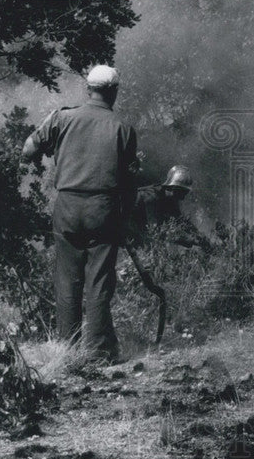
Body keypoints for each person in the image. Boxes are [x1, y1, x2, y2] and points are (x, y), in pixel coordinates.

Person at [22, 65, 137, 364]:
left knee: (67, 279)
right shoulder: (123, 129)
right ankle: (98, 351)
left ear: (88, 89)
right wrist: (125, 222)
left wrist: (46, 152)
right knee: (98, 280)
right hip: (103, 208)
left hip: (68, 207)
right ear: (113, 92)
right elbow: (128, 183)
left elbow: (27, 150)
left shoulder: (62, 117)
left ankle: (67, 351)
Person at [129, 165, 211, 250]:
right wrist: (187, 239)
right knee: (153, 252)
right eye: (182, 193)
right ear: (174, 188)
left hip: (137, 231)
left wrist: (200, 237)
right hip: (124, 230)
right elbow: (155, 232)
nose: (182, 198)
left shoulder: (168, 198)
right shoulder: (151, 198)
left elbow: (181, 221)